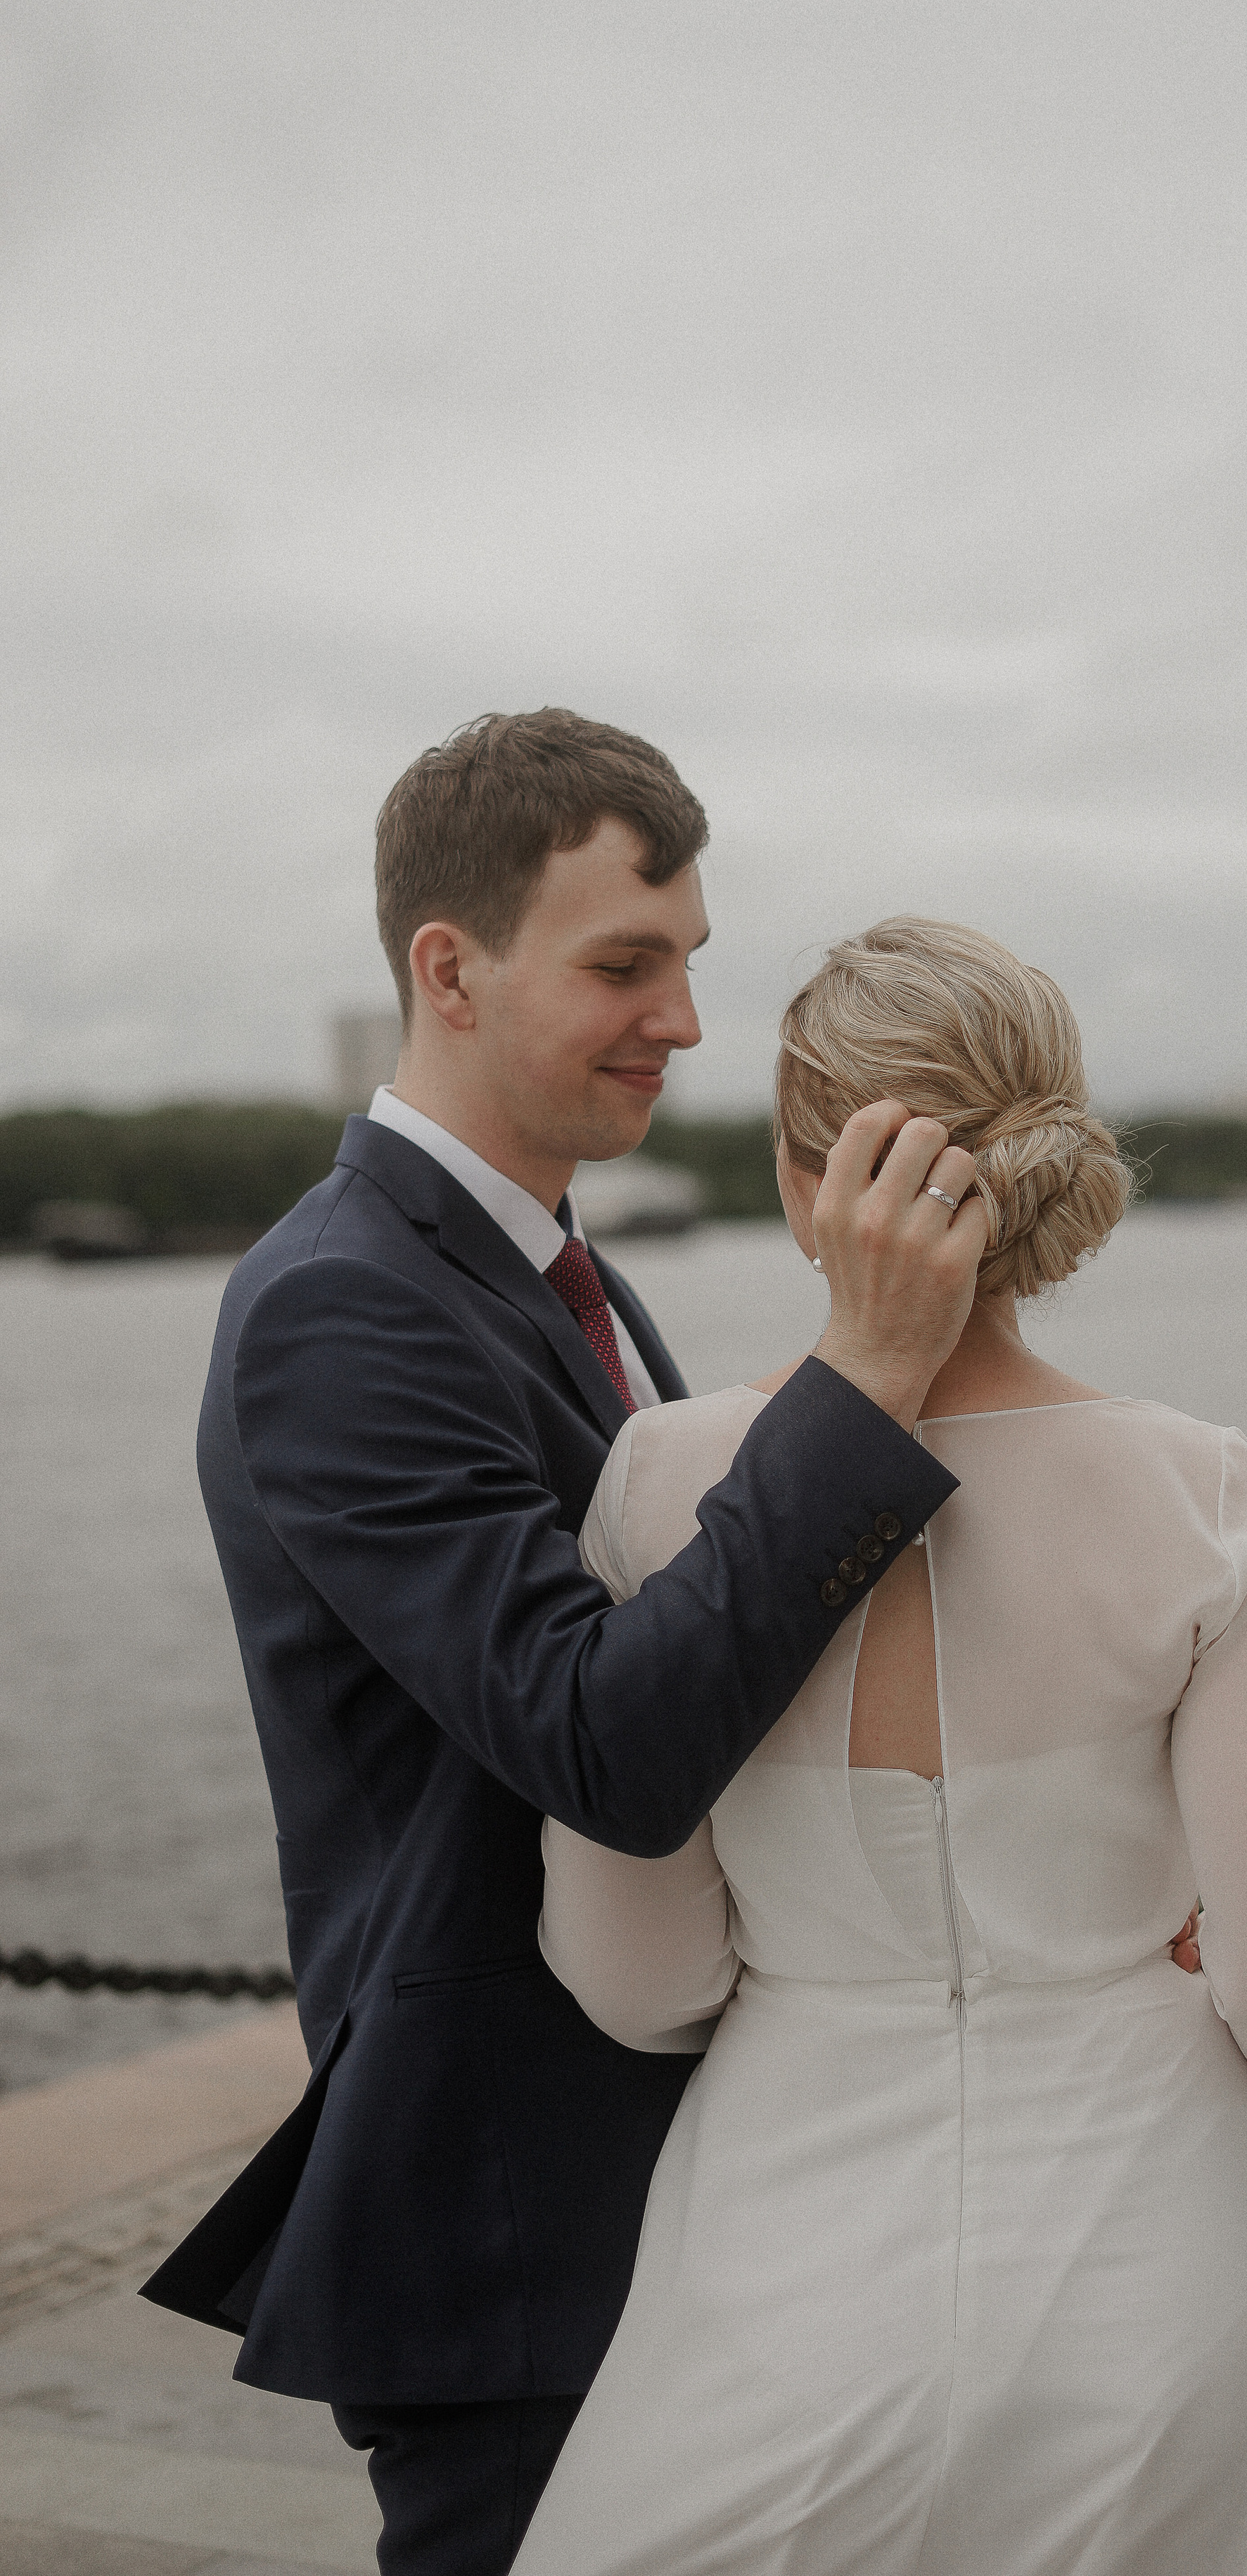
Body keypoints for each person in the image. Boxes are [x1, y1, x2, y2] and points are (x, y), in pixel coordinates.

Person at [141, 714, 998, 2575]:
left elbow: (728, 1672)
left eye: (689, 961)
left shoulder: (553, 1281)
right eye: (626, 962)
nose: (684, 1020)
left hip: (673, 2165)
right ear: (448, 967)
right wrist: (865, 1376)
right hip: (512, 2207)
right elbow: (602, 1742)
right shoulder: (338, 1309)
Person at [518, 917, 1247, 2576]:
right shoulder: (1200, 1493)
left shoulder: (655, 1482)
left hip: (780, 2271)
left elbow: (632, 1978)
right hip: (1169, 2260)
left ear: (807, 1188)